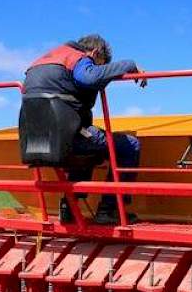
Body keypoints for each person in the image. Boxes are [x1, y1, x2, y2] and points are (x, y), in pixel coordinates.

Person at [20, 34, 144, 224]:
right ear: (95, 53)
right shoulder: (78, 58)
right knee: (129, 145)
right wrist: (129, 64)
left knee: (87, 147)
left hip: (37, 138)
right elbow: (88, 77)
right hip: (68, 134)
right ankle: (109, 209)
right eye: (99, 64)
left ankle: (69, 207)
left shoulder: (43, 61)